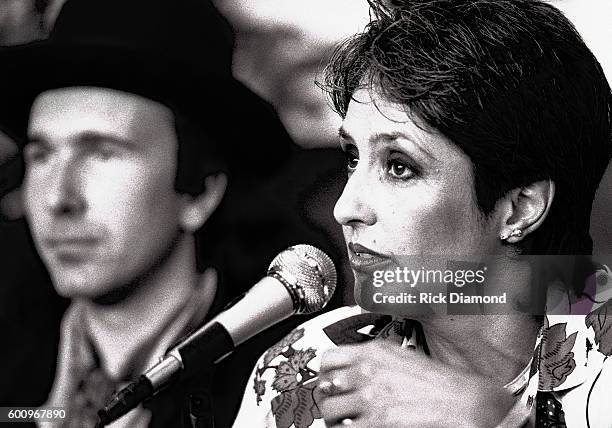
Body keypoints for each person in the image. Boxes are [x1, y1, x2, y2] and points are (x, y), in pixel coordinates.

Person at [234, 0, 612, 427]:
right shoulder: (305, 363)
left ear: (519, 209)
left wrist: (495, 422)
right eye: (353, 157)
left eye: (400, 166)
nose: (345, 209)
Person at [0, 0, 344, 426]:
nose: (59, 198)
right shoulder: (12, 364)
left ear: (199, 192)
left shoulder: (285, 385)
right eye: (42, 155)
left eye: (103, 153)